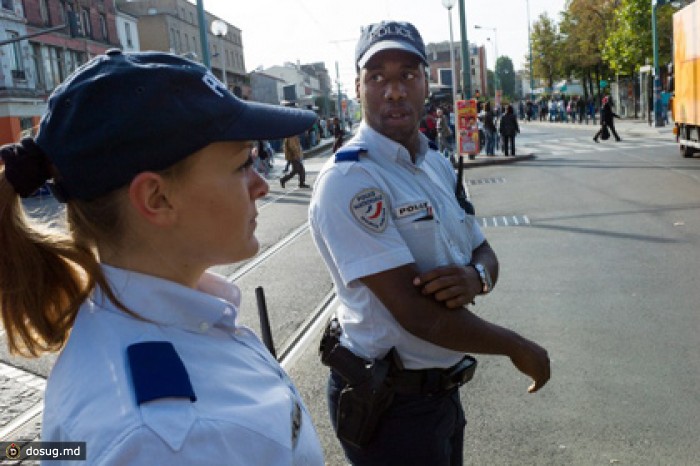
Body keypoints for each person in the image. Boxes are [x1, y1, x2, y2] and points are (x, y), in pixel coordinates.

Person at [0, 50, 324, 465]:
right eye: (243, 163)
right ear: (157, 198)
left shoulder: (136, 319)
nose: (261, 184)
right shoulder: (174, 441)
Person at [308, 21, 550, 466]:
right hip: (388, 406)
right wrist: (516, 347)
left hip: (440, 397)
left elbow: (483, 248)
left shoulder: (435, 164)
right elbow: (418, 314)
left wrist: (476, 278)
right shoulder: (350, 179)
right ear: (357, 87)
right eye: (377, 76)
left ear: (425, 84)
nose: (394, 90)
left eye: (407, 75)